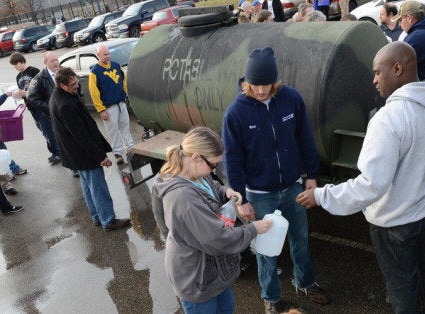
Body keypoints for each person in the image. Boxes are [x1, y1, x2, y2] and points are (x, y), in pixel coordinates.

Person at [296, 42, 425, 313]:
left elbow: (371, 185)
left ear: (398, 69)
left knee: (403, 287)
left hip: (395, 223)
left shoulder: (388, 118)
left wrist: (321, 195)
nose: (374, 80)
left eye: (378, 72)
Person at [222, 47, 329, 312]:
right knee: (266, 251)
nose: (260, 91)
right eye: (255, 85)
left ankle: (305, 281)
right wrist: (241, 200)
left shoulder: (291, 99)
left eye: (266, 84)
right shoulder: (235, 113)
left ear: (276, 80)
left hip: (293, 186)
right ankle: (271, 298)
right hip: (259, 193)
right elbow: (232, 161)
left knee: (300, 239)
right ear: (246, 82)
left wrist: (311, 176)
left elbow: (305, 138)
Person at [153, 127, 273, 313]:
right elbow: (218, 239)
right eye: (213, 164)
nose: (214, 169)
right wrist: (253, 229)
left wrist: (226, 192)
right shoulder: (184, 199)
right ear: (196, 157)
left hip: (214, 274)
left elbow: (212, 185)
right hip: (198, 279)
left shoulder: (194, 173)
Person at [49, 67, 131, 232]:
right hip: (84, 154)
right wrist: (101, 156)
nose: (77, 86)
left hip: (76, 155)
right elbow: (81, 136)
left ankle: (96, 216)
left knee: (88, 187)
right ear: (62, 85)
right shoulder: (65, 104)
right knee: (98, 188)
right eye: (72, 84)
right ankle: (108, 220)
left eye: (76, 82)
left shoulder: (57, 97)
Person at [89, 44, 134, 166]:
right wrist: (101, 110)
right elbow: (94, 93)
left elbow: (124, 80)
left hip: (120, 103)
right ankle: (118, 153)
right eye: (104, 54)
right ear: (98, 55)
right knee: (113, 131)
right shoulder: (95, 72)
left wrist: (124, 93)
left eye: (108, 53)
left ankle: (130, 149)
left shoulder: (116, 66)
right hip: (108, 108)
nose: (107, 56)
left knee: (125, 127)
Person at [26, 52, 63, 167]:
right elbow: (31, 97)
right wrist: (49, 109)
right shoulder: (40, 78)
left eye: (56, 59)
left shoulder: (65, 72)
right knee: (62, 140)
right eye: (52, 61)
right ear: (45, 63)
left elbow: (76, 88)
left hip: (69, 113)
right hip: (54, 116)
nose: (56, 62)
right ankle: (72, 166)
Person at [392, 0, 425, 82]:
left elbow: (395, 65)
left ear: (409, 18)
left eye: (400, 20)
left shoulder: (416, 38)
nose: (399, 24)